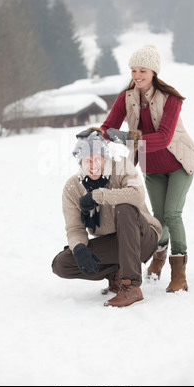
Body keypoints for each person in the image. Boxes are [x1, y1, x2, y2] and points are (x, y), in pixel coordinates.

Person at [98, 45, 194, 293]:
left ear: (153, 71)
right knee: (158, 217)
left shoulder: (171, 99)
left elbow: (163, 138)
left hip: (179, 164)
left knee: (172, 215)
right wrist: (97, 134)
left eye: (142, 70)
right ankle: (158, 257)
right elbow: (108, 126)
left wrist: (125, 137)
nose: (137, 75)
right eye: (133, 70)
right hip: (152, 168)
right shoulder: (126, 98)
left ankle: (179, 274)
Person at [52, 131, 162, 308]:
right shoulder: (73, 187)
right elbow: (74, 228)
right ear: (80, 162)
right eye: (87, 160)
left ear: (105, 158)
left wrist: (99, 196)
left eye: (98, 159)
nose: (93, 165)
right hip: (114, 243)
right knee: (62, 264)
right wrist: (79, 247)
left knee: (124, 207)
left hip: (143, 238)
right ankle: (114, 273)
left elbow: (137, 195)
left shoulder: (122, 168)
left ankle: (131, 286)